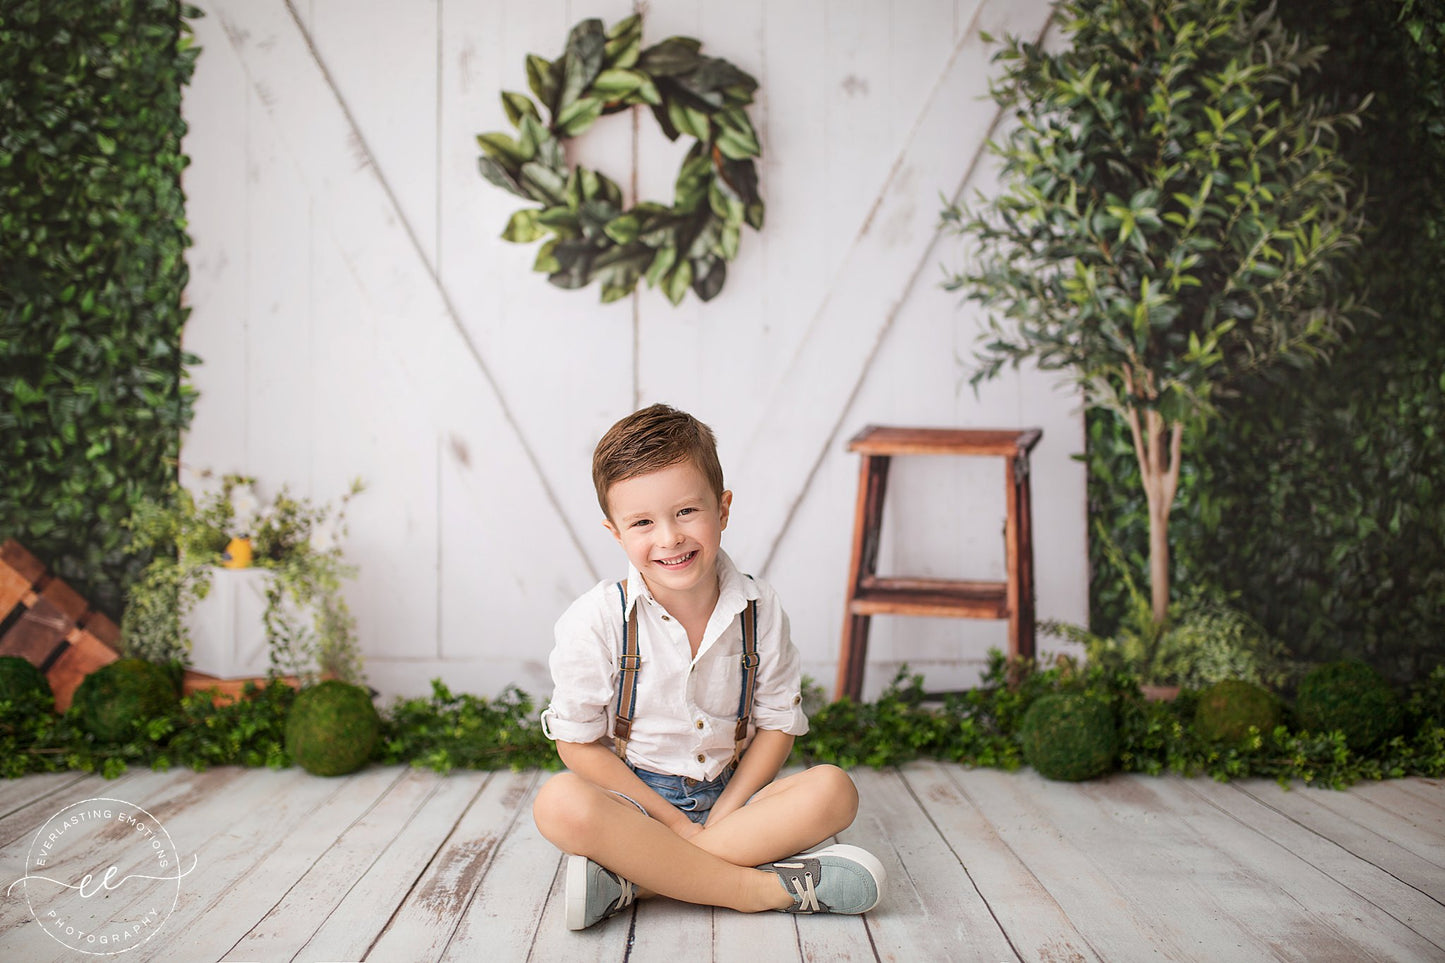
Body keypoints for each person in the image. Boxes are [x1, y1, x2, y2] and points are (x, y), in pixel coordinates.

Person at [533, 403, 886, 930]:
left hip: (735, 800)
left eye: (686, 512)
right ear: (616, 533)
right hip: (638, 807)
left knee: (834, 789)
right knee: (558, 802)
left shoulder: (759, 608)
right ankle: (757, 888)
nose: (669, 538)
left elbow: (776, 725)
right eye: (643, 523)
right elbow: (577, 744)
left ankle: (639, 881)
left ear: (722, 509)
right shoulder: (598, 618)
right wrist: (672, 822)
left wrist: (721, 815)